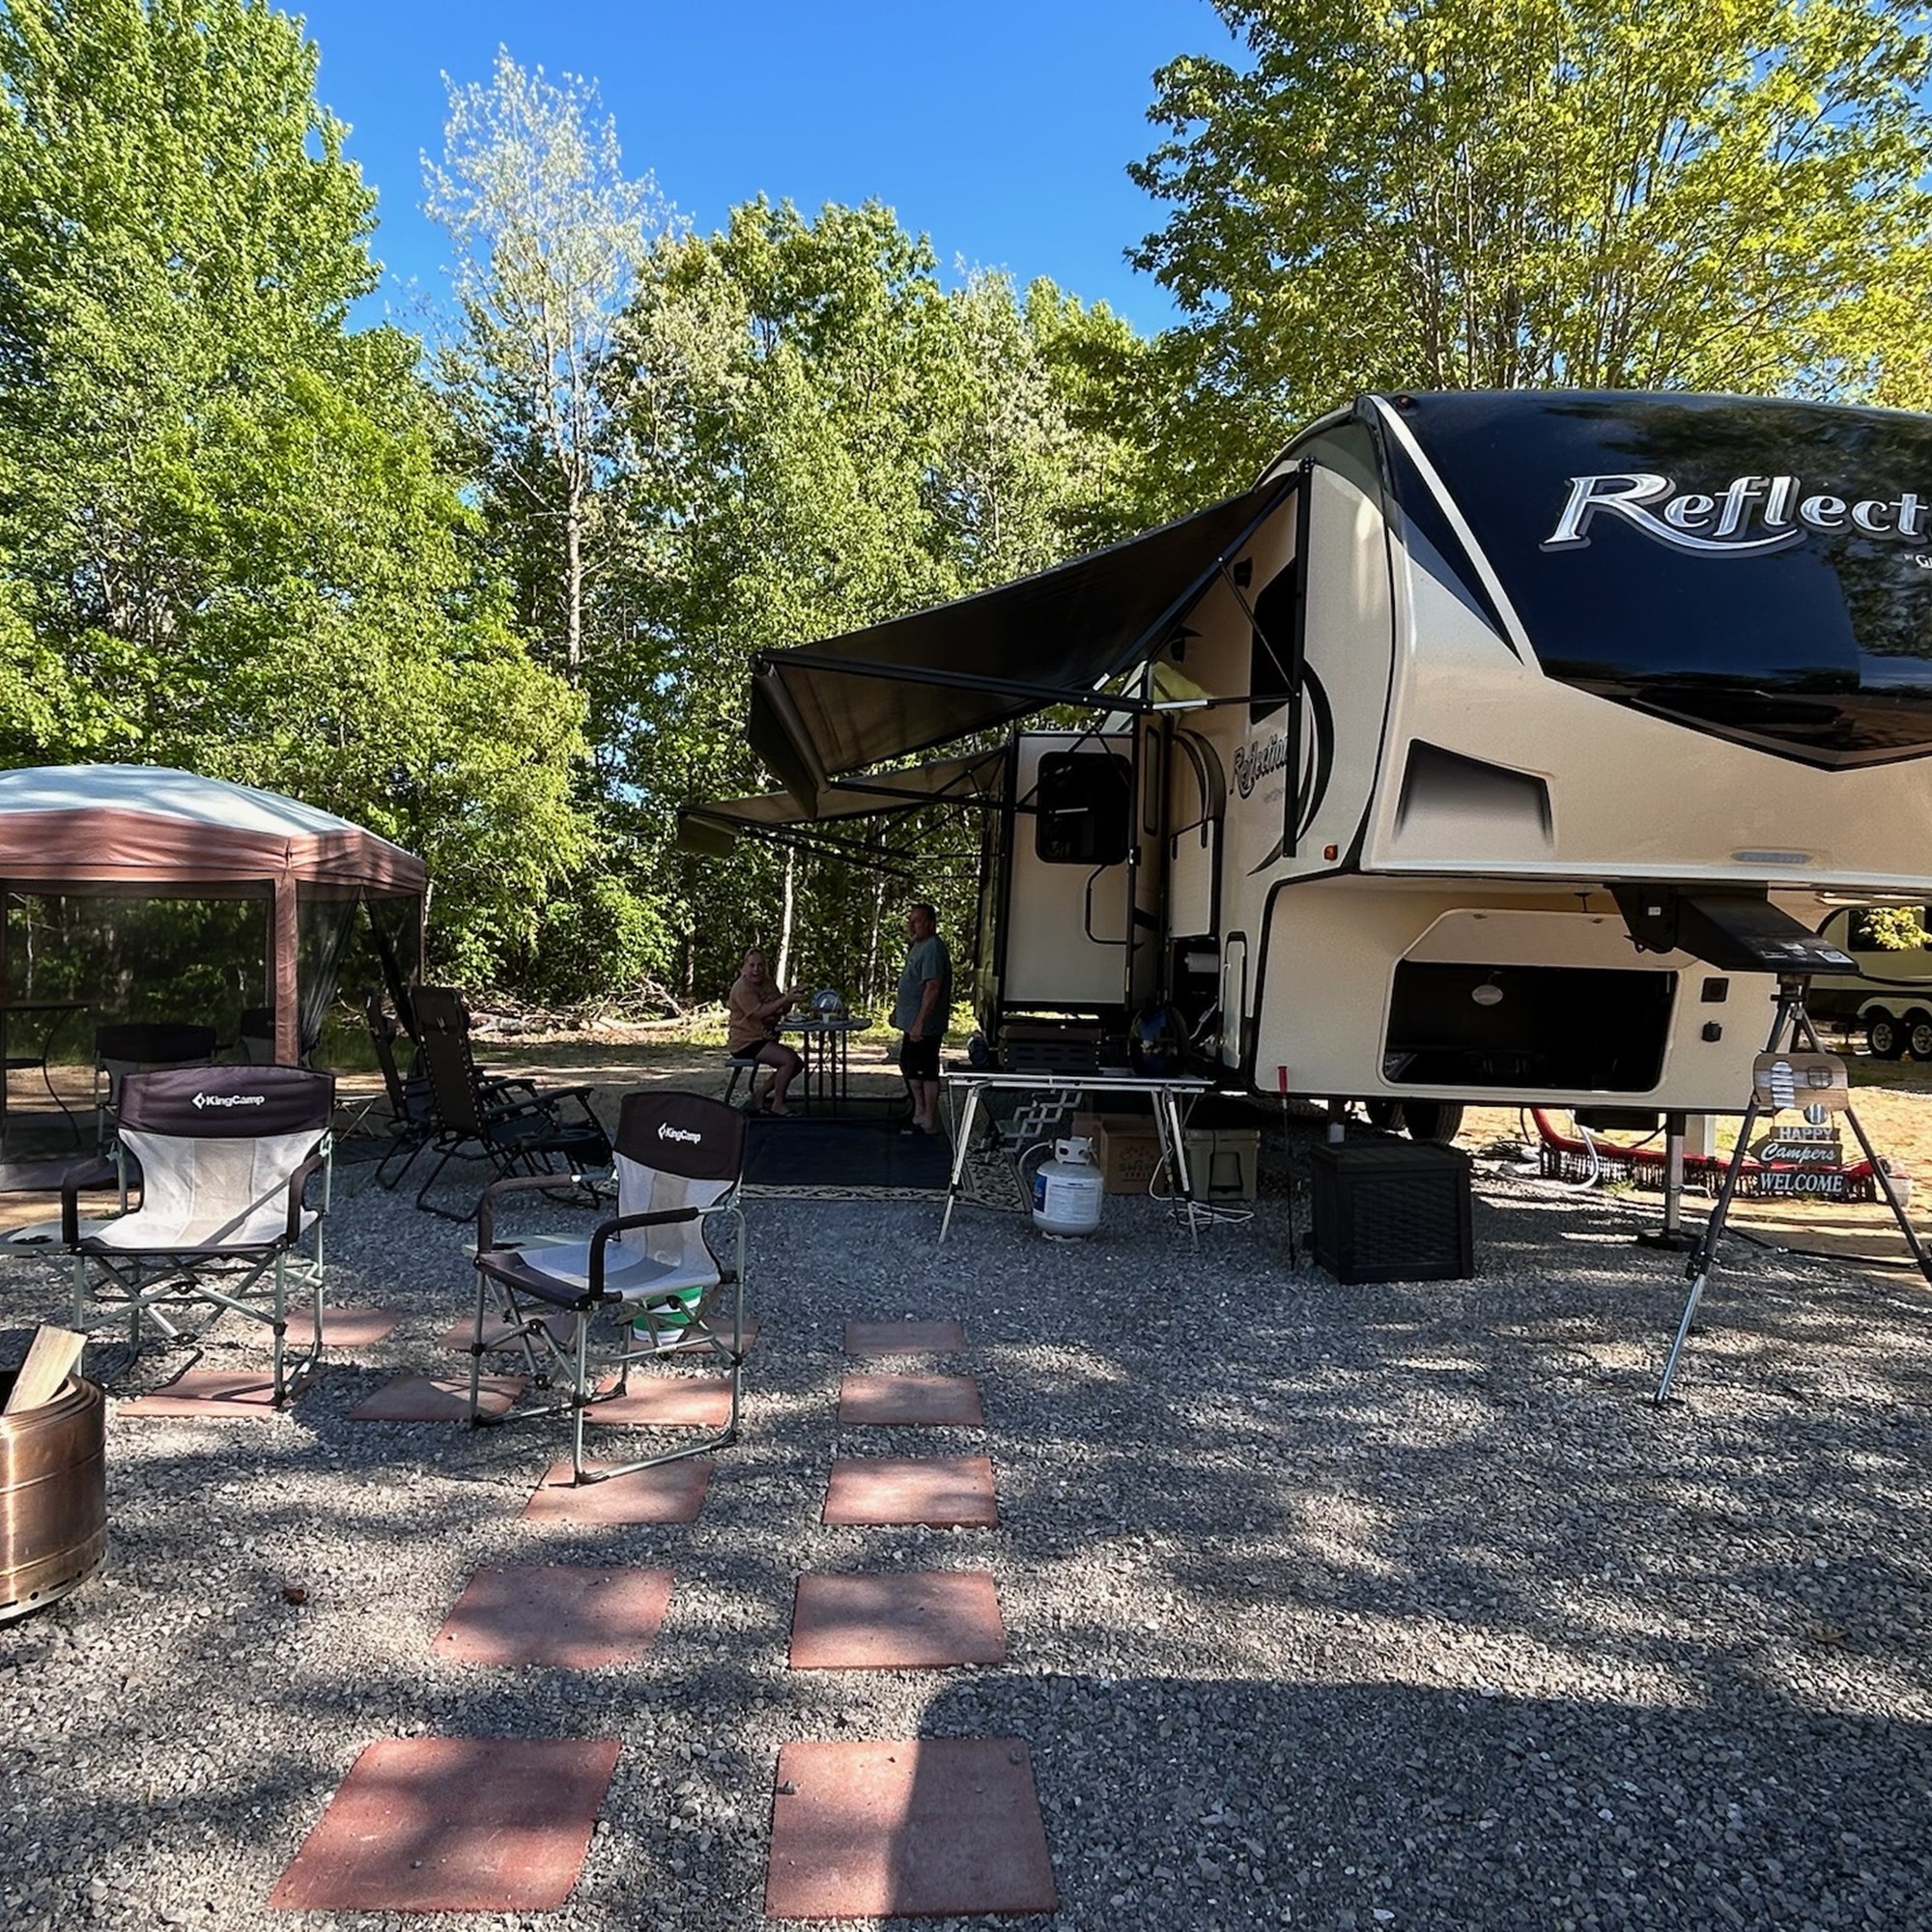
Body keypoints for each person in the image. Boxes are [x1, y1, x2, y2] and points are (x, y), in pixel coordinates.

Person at [894, 901, 952, 1136]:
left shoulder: (933, 949)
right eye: (910, 920)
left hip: (925, 1027)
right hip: (911, 1023)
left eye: (916, 921)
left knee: (924, 1072)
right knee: (909, 1066)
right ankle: (918, 1112)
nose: (912, 925)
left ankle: (928, 1119)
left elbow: (932, 987)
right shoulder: (918, 946)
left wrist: (919, 1022)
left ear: (930, 923)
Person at [725, 948, 804, 1115]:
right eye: (752, 965)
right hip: (745, 1041)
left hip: (764, 1037)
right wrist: (784, 1000)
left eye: (760, 965)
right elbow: (759, 1012)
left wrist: (792, 997)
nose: (756, 970)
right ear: (744, 967)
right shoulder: (742, 988)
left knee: (797, 1064)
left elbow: (780, 1007)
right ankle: (778, 1104)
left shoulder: (767, 982)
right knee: (788, 1060)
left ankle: (760, 1094)